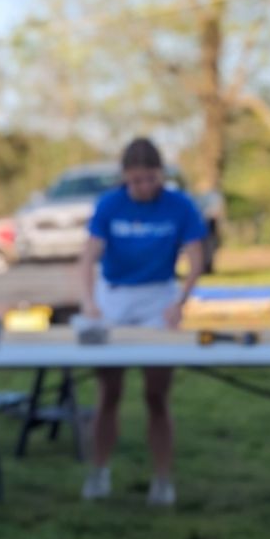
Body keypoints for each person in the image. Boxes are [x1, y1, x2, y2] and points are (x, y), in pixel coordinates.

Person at [76, 138, 207, 506]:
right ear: (124, 179)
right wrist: (90, 302)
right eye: (136, 181)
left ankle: (163, 479)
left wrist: (181, 301)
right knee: (109, 391)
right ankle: (99, 471)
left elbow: (196, 257)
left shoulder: (180, 205)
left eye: (151, 179)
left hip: (159, 297)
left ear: (161, 175)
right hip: (114, 296)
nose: (145, 188)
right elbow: (88, 258)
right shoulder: (109, 205)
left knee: (156, 393)